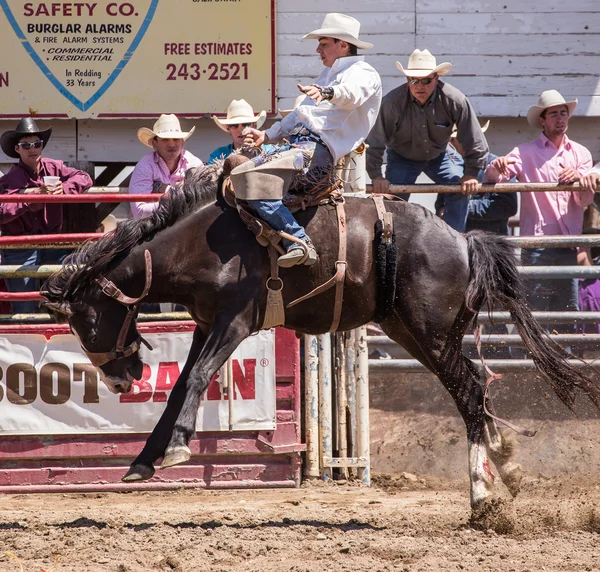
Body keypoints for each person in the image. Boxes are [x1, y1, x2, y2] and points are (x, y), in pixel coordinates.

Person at [237, 12, 382, 267]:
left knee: (251, 180)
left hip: (316, 153)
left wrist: (327, 92)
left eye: (324, 43)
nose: (318, 49)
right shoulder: (327, 76)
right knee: (238, 170)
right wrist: (266, 134)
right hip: (301, 146)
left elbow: (351, 95)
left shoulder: (364, 73)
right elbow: (299, 114)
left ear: (343, 45)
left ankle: (297, 240)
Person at [483, 89, 594, 333]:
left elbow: (585, 200)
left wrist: (580, 177)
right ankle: (534, 360)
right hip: (538, 242)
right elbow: (494, 177)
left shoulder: (581, 154)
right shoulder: (524, 152)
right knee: (536, 305)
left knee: (568, 306)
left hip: (568, 242)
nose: (560, 118)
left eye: (563, 113)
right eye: (553, 114)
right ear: (542, 120)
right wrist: (497, 164)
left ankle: (564, 358)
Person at [365, 49, 489, 232]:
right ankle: (392, 247)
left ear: (436, 78)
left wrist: (471, 174)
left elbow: (474, 139)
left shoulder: (454, 100)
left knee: (459, 190)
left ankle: (454, 242)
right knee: (391, 200)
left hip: (440, 156)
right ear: (407, 80)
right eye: (413, 80)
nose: (419, 86)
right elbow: (375, 141)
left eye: (425, 80)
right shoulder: (392, 102)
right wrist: (376, 175)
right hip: (401, 158)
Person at [0, 117, 93, 313]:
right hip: (21, 245)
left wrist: (65, 189)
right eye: (26, 145)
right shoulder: (8, 181)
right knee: (24, 307)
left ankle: (54, 336)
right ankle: (25, 340)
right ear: (17, 149)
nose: (33, 148)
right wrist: (30, 199)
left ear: (42, 146)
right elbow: (2, 213)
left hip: (50, 244)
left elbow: (85, 177)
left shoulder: (53, 167)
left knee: (62, 299)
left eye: (37, 144)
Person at [448, 121, 518, 235]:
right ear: (453, 141)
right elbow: (442, 204)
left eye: (470, 137)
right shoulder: (451, 168)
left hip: (491, 241)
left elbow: (508, 206)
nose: (466, 142)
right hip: (464, 240)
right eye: (461, 139)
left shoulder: (497, 165)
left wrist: (463, 207)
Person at [129, 114, 203, 219]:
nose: (171, 144)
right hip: (149, 228)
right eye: (165, 139)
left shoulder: (194, 164)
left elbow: (202, 203)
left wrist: (165, 189)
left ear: (182, 143)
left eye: (176, 139)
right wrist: (178, 199)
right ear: (155, 144)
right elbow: (139, 211)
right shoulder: (145, 165)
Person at [208, 99, 271, 164]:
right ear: (228, 128)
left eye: (245, 124)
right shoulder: (218, 156)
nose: (240, 130)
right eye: (234, 125)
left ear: (254, 125)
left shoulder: (271, 151)